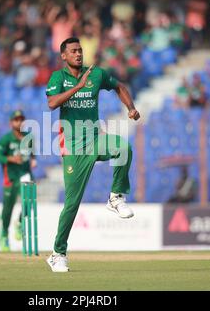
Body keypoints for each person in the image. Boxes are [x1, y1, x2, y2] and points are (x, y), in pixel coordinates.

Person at [45, 37, 140, 272]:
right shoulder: (58, 78)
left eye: (80, 50)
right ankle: (58, 253)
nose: (78, 54)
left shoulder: (96, 74)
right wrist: (77, 87)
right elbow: (51, 103)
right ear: (64, 56)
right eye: (73, 51)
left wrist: (131, 108)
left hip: (96, 139)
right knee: (72, 204)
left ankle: (116, 197)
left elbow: (119, 86)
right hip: (74, 148)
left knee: (123, 148)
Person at [0, 110, 36, 252]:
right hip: (11, 177)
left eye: (21, 119)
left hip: (25, 174)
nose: (19, 122)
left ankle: (19, 222)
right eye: (16, 120)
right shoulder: (6, 139)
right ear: (11, 122)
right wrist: (11, 159)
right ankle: (4, 235)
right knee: (8, 208)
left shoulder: (28, 138)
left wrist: (34, 160)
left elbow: (32, 153)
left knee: (30, 201)